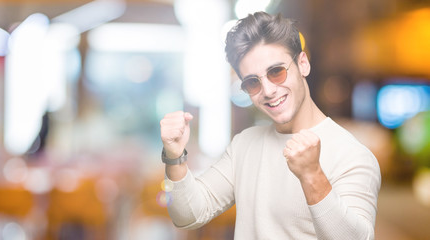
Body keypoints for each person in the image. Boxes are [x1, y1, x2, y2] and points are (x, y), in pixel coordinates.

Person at [159, 12, 381, 239]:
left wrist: (313, 176)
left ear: (302, 64)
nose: (268, 91)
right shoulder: (244, 145)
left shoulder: (353, 156)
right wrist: (175, 156)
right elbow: (187, 216)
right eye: (253, 82)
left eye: (276, 72)